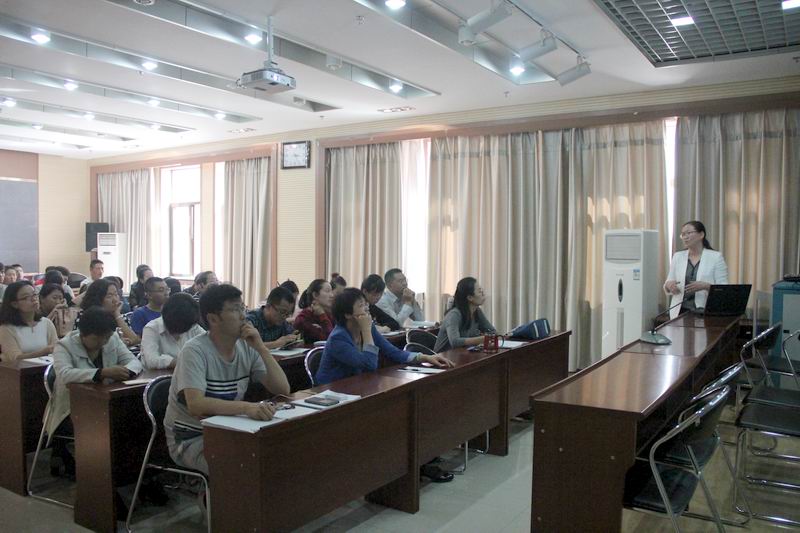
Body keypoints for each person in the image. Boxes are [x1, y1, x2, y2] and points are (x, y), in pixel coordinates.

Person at [317, 288, 455, 484]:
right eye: (361, 305)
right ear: (348, 314)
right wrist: (367, 330)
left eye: (366, 304)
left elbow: (393, 352)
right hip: (334, 396)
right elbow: (369, 365)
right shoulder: (338, 337)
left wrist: (424, 357)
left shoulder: (368, 329)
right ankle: (404, 466)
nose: (367, 308)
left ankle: (418, 461)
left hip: (358, 389)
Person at [164, 284, 290, 476]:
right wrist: (247, 408)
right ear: (213, 319)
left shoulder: (246, 346)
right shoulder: (194, 350)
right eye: (235, 309)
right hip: (191, 438)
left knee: (275, 454)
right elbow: (196, 405)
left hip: (228, 430)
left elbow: (282, 389)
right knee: (243, 466)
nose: (243, 316)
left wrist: (261, 348)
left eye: (243, 308)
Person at [49, 306, 142, 478]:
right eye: (97, 338)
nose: (103, 342)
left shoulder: (111, 338)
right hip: (72, 408)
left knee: (133, 422)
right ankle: (102, 475)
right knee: (115, 427)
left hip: (105, 402)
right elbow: (65, 374)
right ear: (83, 334)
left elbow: (133, 361)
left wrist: (127, 371)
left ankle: (127, 474)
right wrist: (101, 373)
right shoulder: (65, 346)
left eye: (106, 337)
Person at [664, 220, 729, 319]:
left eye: (688, 233)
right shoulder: (678, 256)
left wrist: (706, 286)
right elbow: (668, 282)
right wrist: (669, 285)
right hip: (680, 311)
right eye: (683, 234)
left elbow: (724, 289)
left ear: (701, 235)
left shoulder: (715, 257)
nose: (685, 237)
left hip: (705, 311)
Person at [141, 293, 205, 369]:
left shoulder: (192, 325)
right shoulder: (151, 328)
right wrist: (183, 362)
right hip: (159, 375)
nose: (184, 330)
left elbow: (209, 346)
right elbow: (151, 361)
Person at [433, 277, 497, 352]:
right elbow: (454, 342)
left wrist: (487, 337)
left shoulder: (477, 311)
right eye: (479, 291)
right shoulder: (454, 315)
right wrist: (482, 339)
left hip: (463, 354)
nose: (483, 293)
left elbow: (492, 332)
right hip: (443, 356)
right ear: (470, 297)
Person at [0, 280, 58, 362]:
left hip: (46, 367)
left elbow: (56, 349)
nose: (34, 299)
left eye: (34, 294)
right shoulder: (6, 328)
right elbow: (15, 359)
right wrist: (44, 352)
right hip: (17, 369)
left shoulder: (46, 323)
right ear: (14, 304)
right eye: (26, 297)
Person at [79, 279, 140, 345]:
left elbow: (136, 340)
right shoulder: (84, 317)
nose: (115, 300)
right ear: (97, 298)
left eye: (116, 294)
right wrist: (117, 343)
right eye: (109, 296)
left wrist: (117, 314)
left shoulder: (119, 316)